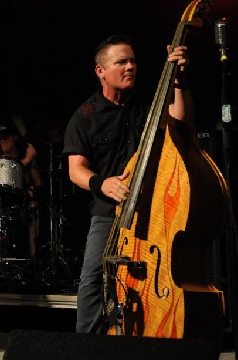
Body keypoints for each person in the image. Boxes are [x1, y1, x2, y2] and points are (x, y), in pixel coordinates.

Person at [61, 34, 192, 334]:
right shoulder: (84, 117)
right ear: (101, 71)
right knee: (93, 277)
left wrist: (179, 81)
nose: (130, 66)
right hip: (110, 211)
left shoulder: (147, 101)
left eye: (133, 60)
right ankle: (88, 348)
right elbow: (75, 170)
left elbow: (179, 121)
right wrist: (101, 183)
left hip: (155, 211)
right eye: (121, 62)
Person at [0, 122, 44, 259]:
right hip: (3, 204)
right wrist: (28, 158)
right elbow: (5, 174)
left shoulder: (26, 157)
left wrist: (35, 189)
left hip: (23, 205)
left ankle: (33, 260)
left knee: (34, 209)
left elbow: (38, 181)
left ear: (14, 137)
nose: (1, 142)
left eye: (4, 137)